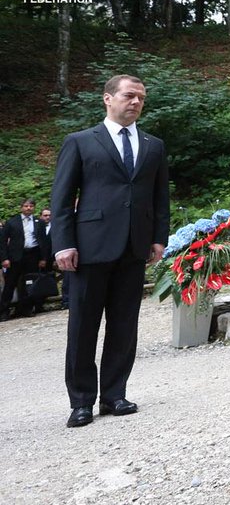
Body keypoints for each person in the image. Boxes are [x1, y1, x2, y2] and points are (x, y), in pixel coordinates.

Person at [51, 74, 170, 428]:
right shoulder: (80, 142)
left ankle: (114, 395)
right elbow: (61, 199)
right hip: (89, 248)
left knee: (124, 325)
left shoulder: (153, 145)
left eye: (141, 98)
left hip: (134, 248)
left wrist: (158, 238)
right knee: (83, 326)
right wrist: (63, 243)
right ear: (108, 98)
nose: (136, 102)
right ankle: (81, 401)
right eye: (129, 95)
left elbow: (160, 197)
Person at [2, 198, 50, 319]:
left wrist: (43, 258)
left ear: (34, 208)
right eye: (26, 206)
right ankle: (4, 311)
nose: (28, 208)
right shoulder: (12, 222)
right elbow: (2, 241)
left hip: (32, 255)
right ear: (21, 207)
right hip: (15, 256)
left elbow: (44, 242)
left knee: (29, 283)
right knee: (10, 283)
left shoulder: (39, 222)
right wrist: (4, 258)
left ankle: (25, 308)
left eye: (31, 206)